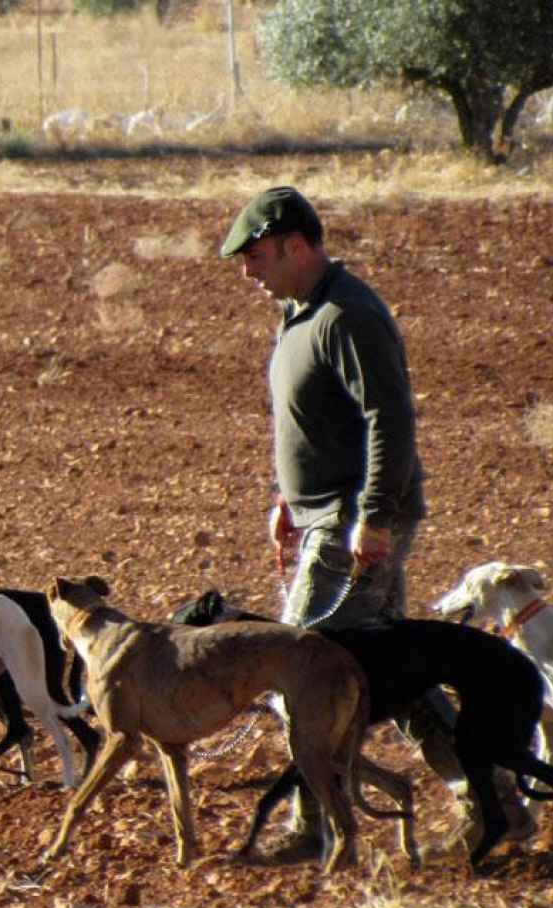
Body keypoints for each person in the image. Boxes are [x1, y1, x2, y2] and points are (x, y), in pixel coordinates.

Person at [221, 186, 533, 859]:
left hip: (352, 522)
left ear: (294, 244)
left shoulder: (349, 313)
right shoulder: (299, 312)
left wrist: (374, 517)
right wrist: (288, 499)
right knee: (395, 673)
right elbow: (316, 421)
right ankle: (494, 803)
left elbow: (388, 422)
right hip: (326, 515)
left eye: (254, 255)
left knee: (304, 668)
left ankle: (316, 827)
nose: (247, 270)